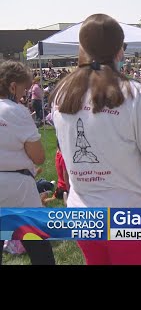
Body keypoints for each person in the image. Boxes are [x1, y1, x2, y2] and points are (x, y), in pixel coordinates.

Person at [49, 14, 141, 265]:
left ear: (82, 47)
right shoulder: (136, 93)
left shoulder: (61, 94)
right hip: (129, 212)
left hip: (82, 213)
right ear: (120, 51)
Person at [0, 60, 55, 265]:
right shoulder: (17, 111)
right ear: (13, 86)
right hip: (18, 187)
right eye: (23, 88)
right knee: (37, 243)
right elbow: (39, 156)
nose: (24, 94)